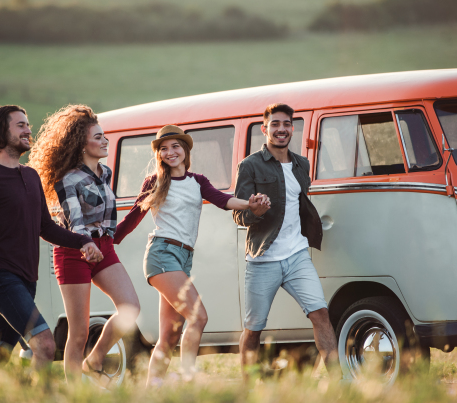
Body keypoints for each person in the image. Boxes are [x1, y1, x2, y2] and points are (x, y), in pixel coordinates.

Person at [0, 105, 103, 389]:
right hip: (1, 277)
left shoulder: (31, 176)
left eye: (28, 125)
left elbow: (46, 228)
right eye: (20, 125)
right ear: (1, 132)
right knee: (45, 345)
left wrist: (83, 241)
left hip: (27, 280)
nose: (28, 130)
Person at [114, 125, 270, 386]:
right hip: (162, 254)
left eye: (175, 146)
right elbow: (133, 217)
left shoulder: (197, 181)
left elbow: (223, 200)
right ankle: (188, 379)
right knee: (198, 317)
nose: (170, 152)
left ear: (185, 149)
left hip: (183, 259)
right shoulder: (155, 182)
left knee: (169, 336)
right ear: (159, 154)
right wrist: (108, 241)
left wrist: (250, 204)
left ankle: (153, 390)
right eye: (163, 148)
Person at [28, 105, 140, 385]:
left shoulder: (105, 173)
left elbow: (109, 222)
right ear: (81, 143)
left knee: (130, 308)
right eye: (98, 137)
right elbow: (75, 222)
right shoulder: (66, 179)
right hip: (74, 251)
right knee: (77, 333)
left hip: (103, 248)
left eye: (105, 136)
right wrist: (86, 244)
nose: (105, 141)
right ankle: (76, 393)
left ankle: (96, 360)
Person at [232, 103, 339, 379]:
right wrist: (254, 211)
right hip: (263, 258)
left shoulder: (301, 164)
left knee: (321, 314)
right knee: (254, 328)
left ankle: (340, 381)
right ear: (264, 128)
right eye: (275, 124)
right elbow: (238, 216)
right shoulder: (250, 165)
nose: (281, 129)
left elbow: (299, 203)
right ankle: (247, 389)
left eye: (287, 124)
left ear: (292, 128)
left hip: (297, 255)